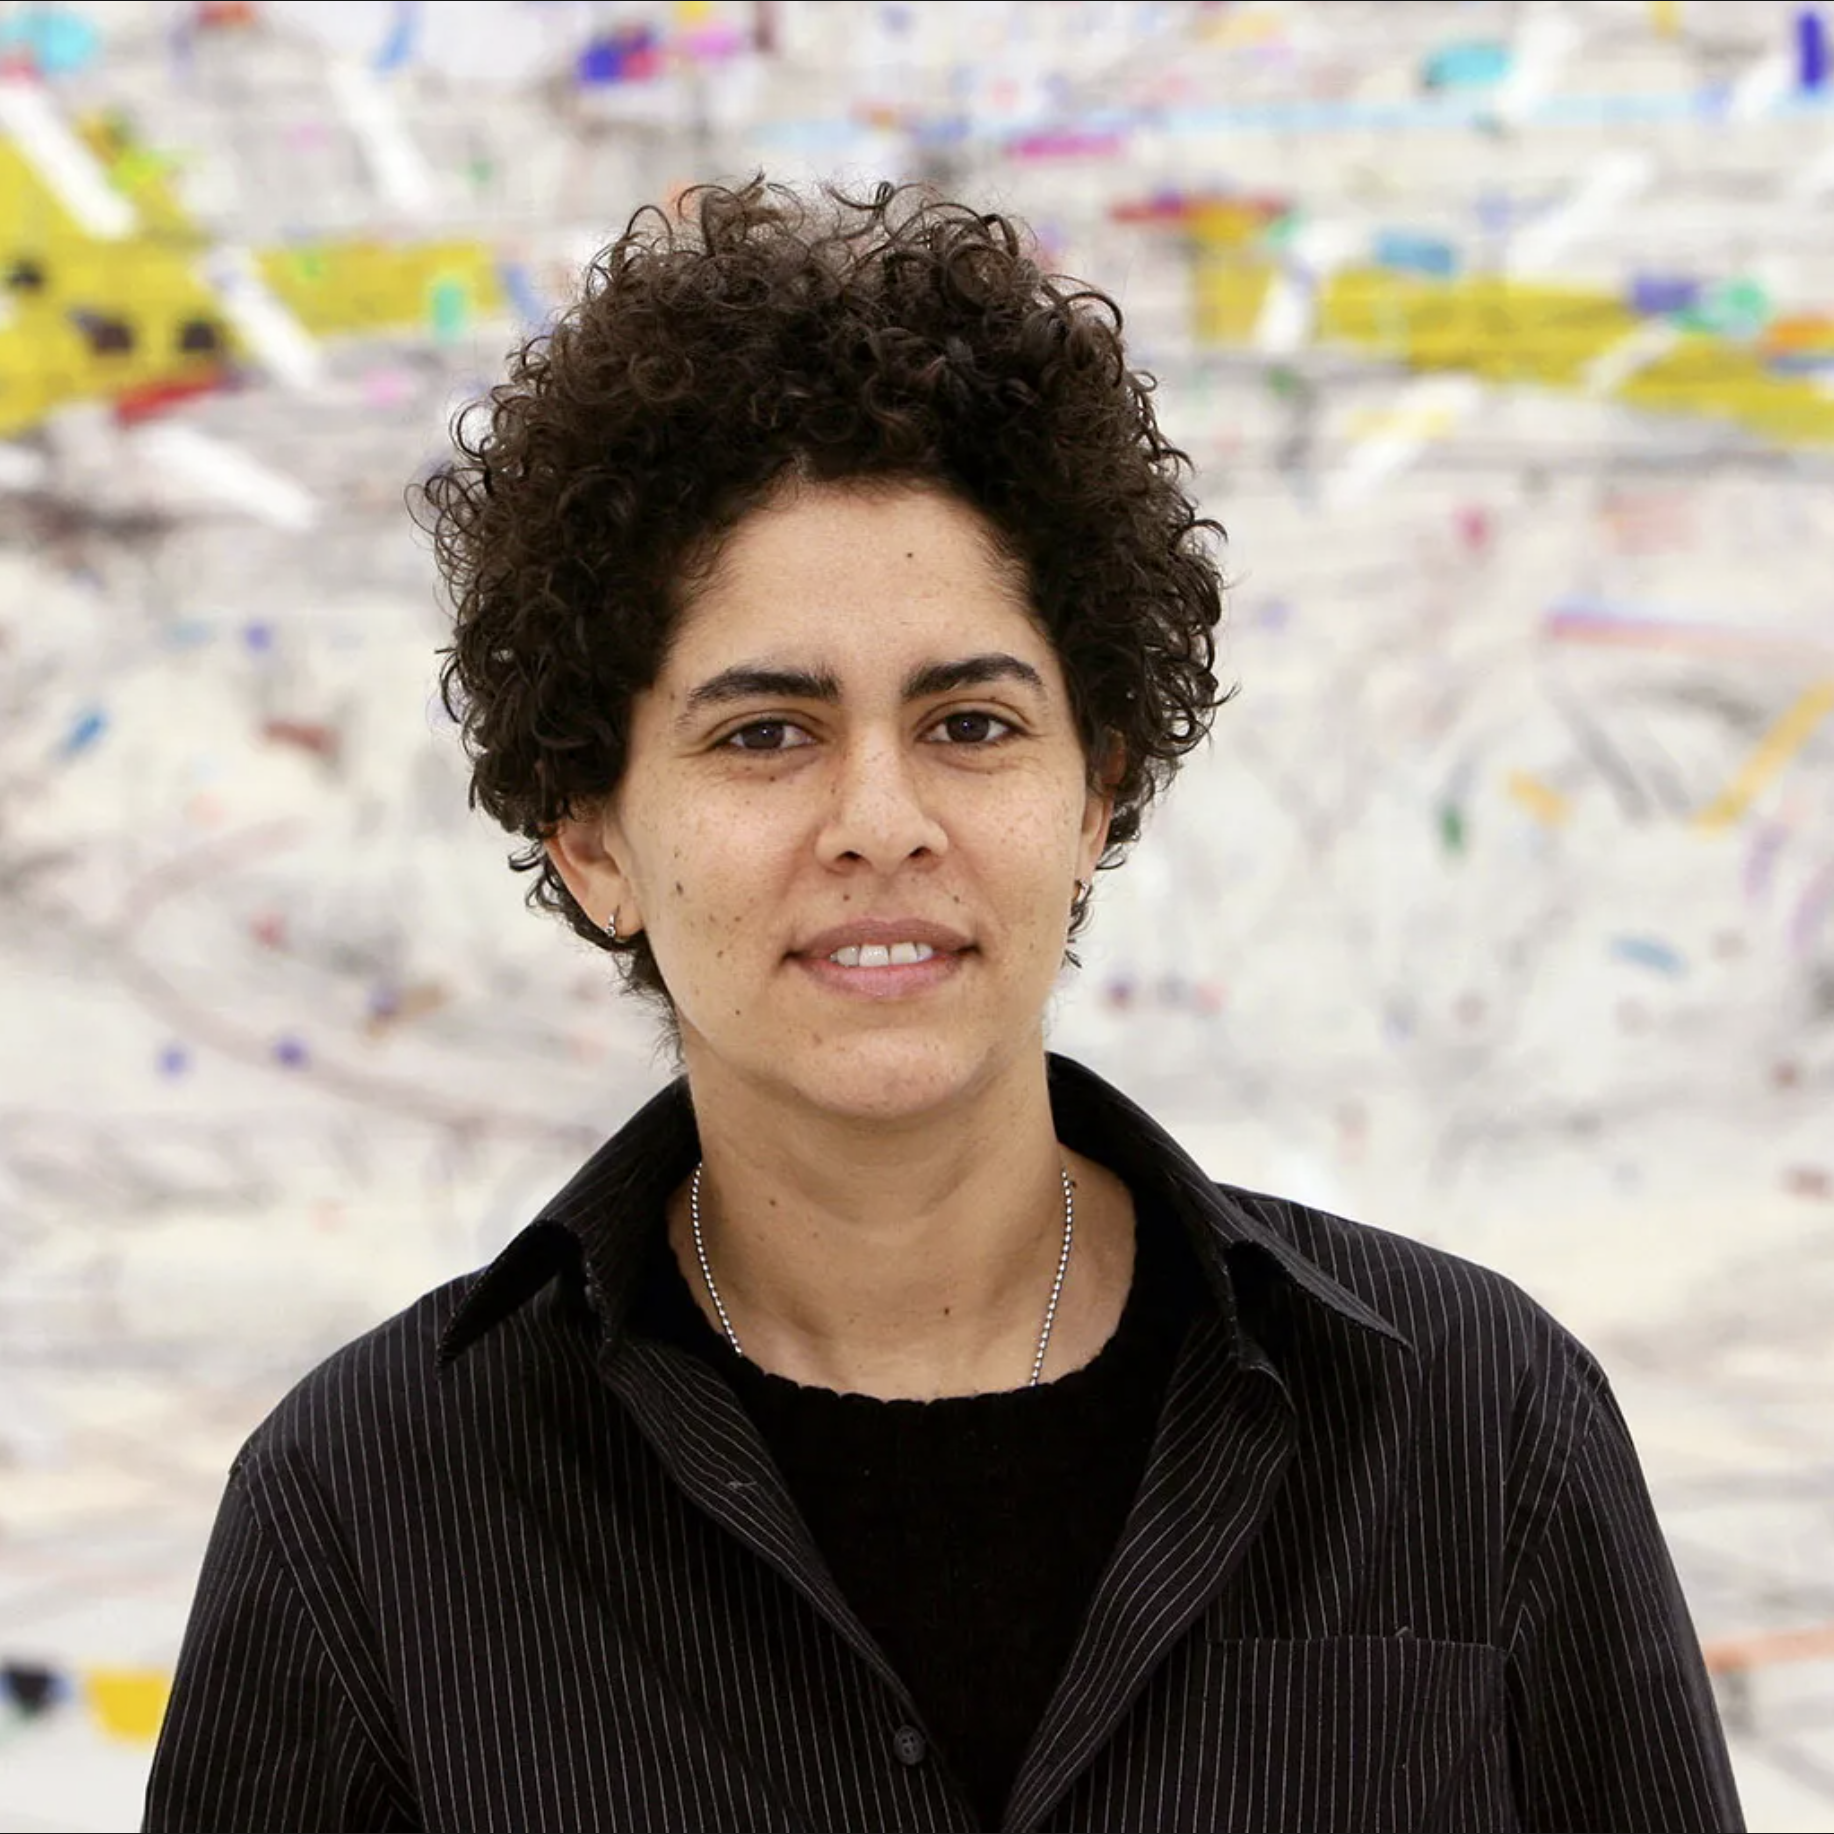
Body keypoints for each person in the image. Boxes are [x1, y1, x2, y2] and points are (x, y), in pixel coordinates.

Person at [143, 178, 1743, 1834]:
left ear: (1096, 790)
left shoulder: (1474, 1430)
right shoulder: (368, 1512)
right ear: (593, 834)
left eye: (969, 723)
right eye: (764, 732)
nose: (880, 817)